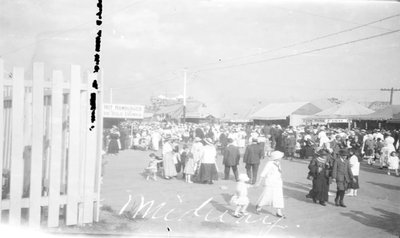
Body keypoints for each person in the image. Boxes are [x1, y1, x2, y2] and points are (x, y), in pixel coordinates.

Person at [255, 151, 285, 218]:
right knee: (267, 195)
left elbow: (279, 172)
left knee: (279, 196)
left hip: (278, 182)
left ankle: (279, 211)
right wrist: (259, 182)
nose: (281, 158)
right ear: (276, 157)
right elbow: (264, 173)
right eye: (280, 157)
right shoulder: (269, 163)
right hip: (270, 182)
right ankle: (259, 206)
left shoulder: (278, 163)